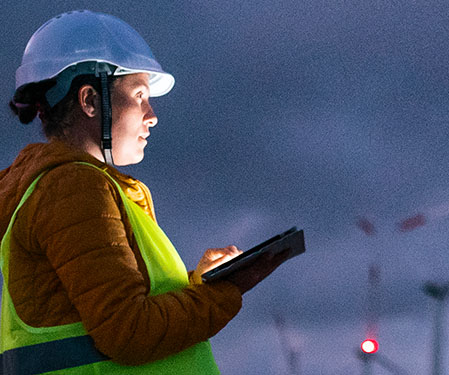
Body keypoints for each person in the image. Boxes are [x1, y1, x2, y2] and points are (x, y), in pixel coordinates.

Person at [0, 10, 287, 374]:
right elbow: (128, 331)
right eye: (139, 95)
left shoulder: (67, 187)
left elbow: (111, 313)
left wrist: (198, 284)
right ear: (90, 101)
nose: (151, 115)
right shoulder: (72, 188)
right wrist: (225, 291)